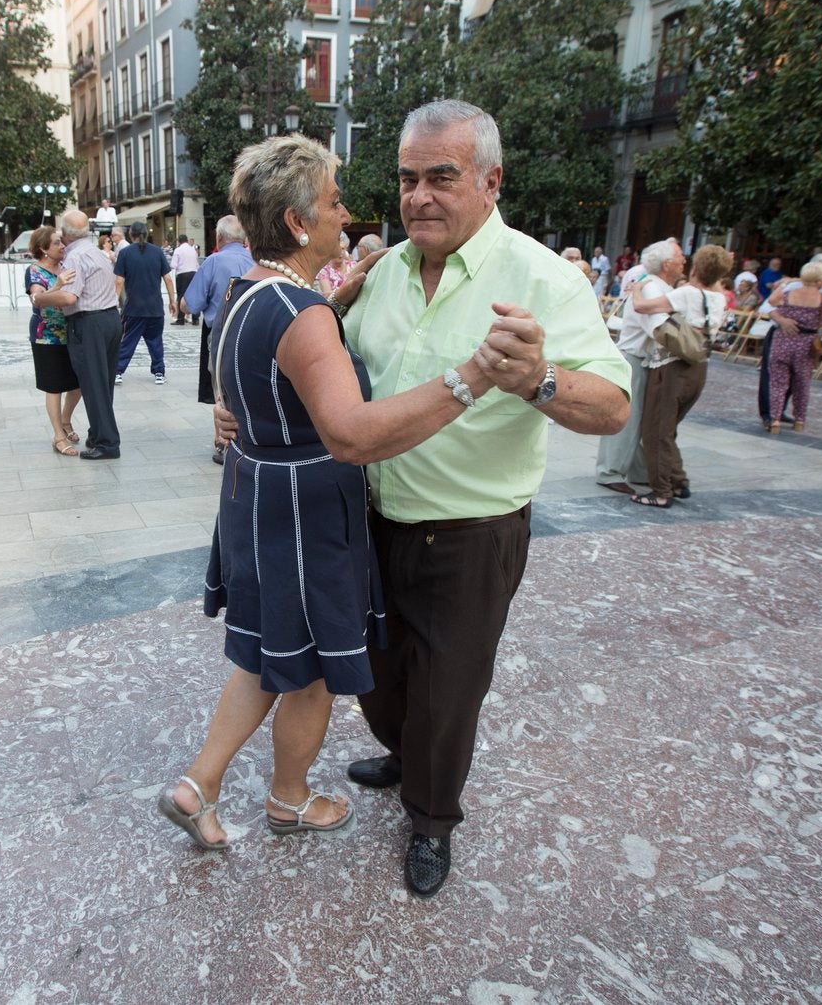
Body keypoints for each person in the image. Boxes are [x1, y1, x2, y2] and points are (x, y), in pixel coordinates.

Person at [218, 101, 629, 897]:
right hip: (369, 523)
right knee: (375, 676)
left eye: (442, 177)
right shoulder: (379, 274)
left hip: (469, 533)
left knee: (447, 691)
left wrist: (538, 378)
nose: (419, 196)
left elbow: (612, 406)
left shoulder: (544, 277)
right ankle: (403, 753)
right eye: (408, 179)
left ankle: (433, 818)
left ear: (490, 180)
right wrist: (239, 401)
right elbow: (316, 364)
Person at [158, 133, 494, 855]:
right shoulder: (301, 314)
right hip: (306, 514)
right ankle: (289, 797)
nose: (347, 214)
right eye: (335, 203)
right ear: (297, 222)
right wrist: (470, 377)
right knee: (310, 673)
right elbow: (350, 432)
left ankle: (198, 784)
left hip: (257, 499)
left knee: (263, 657)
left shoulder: (251, 291)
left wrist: (337, 294)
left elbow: (266, 372)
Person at [626, 244, 730, 507]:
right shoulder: (718, 298)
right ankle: (678, 480)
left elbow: (642, 307)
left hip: (672, 367)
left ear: (696, 268)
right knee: (668, 429)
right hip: (698, 367)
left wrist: (636, 289)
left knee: (656, 431)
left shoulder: (687, 294)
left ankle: (662, 492)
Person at [594, 240, 680, 495]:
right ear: (667, 264)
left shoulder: (654, 285)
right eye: (679, 256)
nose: (684, 261)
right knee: (628, 418)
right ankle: (610, 471)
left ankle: (638, 470)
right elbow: (657, 328)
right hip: (636, 357)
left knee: (641, 419)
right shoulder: (651, 287)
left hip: (643, 358)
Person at [53, 209, 122, 460]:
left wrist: (42, 299)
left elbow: (69, 297)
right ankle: (99, 434)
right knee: (103, 384)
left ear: (64, 233)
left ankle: (106, 442)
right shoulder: (96, 252)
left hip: (89, 321)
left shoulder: (75, 256)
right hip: (110, 317)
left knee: (94, 384)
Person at [184, 215, 253, 447]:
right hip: (254, 332)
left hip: (222, 335)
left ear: (219, 237)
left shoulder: (213, 262)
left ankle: (224, 442)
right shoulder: (256, 260)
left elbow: (191, 304)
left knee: (222, 390)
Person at [24, 225, 82, 456]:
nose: (62, 246)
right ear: (43, 248)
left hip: (72, 331)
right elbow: (37, 299)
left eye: (61, 241)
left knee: (79, 383)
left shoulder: (67, 264)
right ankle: (58, 435)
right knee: (54, 386)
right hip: (46, 335)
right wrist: (57, 286)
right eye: (56, 242)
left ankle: (66, 420)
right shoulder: (35, 271)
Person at [765, 260, 822, 433]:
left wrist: (785, 284)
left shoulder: (789, 294)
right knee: (802, 383)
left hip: (783, 340)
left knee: (777, 383)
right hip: (806, 343)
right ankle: (799, 420)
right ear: (821, 279)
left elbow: (772, 302)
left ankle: (775, 420)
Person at [113, 221, 174, 385]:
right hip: (155, 307)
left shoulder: (125, 253)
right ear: (146, 234)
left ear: (130, 234)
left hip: (133, 308)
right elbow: (168, 279)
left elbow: (119, 281)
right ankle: (159, 372)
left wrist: (113, 302)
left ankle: (117, 371)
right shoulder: (157, 252)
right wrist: (172, 301)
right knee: (155, 341)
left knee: (128, 341)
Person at [170, 234, 198, 325]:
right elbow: (197, 263)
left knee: (181, 296)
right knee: (194, 296)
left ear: (179, 241)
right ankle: (195, 319)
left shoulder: (178, 250)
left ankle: (180, 319)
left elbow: (173, 265)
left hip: (182, 275)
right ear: (187, 240)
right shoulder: (193, 250)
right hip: (194, 273)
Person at [315, 232, 352, 300]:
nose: (341, 252)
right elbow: (327, 295)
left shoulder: (352, 265)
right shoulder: (324, 270)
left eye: (343, 248)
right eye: (338, 249)